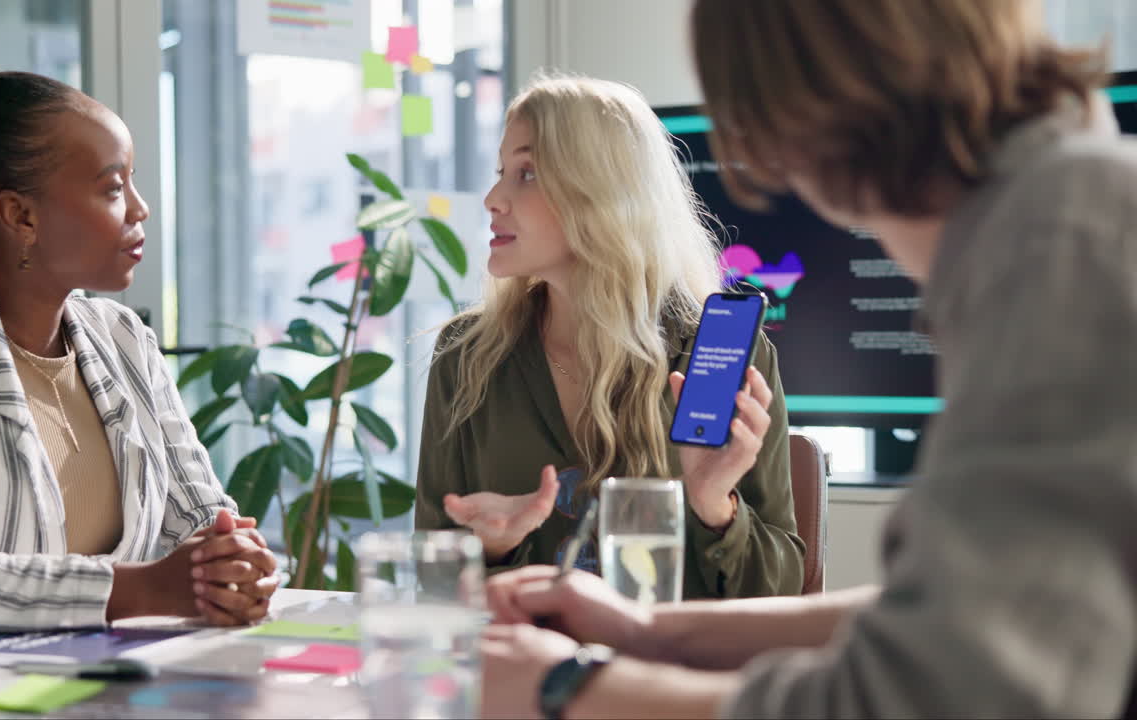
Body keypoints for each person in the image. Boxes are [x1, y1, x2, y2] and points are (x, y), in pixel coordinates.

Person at [477, 1, 1137, 717]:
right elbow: (964, 613)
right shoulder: (1071, 211)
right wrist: (650, 631)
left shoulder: (1061, 246)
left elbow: (935, 695)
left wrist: (570, 687)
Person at [0, 59, 278, 634]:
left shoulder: (125, 338)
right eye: (113, 188)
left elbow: (205, 520)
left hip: (123, 676)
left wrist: (234, 566)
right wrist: (142, 588)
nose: (140, 208)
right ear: (20, 215)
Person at [414, 73, 804, 600]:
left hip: (667, 653)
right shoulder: (464, 357)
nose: (492, 198)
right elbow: (431, 582)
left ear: (601, 191)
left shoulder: (721, 355)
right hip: (526, 652)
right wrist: (490, 550)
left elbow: (779, 592)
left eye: (527, 173)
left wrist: (716, 506)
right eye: (501, 172)